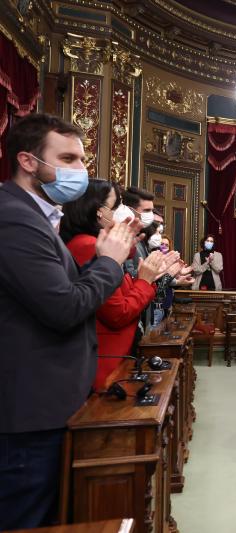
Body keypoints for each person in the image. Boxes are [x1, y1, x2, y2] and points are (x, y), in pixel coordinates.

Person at [0, 113, 135, 530]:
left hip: (46, 401)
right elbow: (64, 308)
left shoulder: (36, 216)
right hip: (29, 410)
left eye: (81, 160)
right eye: (68, 159)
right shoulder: (13, 217)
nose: (80, 170)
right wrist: (109, 262)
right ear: (28, 161)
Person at [60, 178, 177, 389]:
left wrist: (148, 277)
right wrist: (145, 280)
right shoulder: (88, 246)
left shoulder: (92, 243)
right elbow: (118, 313)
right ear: (99, 211)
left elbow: (122, 291)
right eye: (116, 206)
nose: (121, 212)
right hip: (105, 357)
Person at [121, 186, 155, 278]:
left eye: (152, 210)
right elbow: (128, 275)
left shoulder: (141, 236)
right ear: (130, 210)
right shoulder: (123, 237)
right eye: (147, 210)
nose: (151, 214)